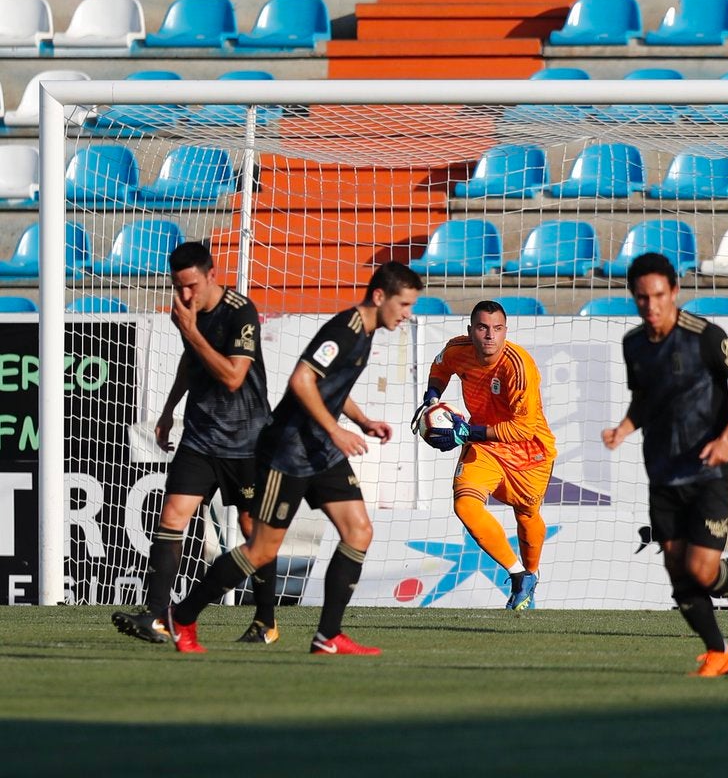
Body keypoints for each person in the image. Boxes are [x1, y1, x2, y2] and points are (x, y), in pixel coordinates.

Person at [166, 262, 423, 655]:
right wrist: (338, 430)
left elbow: (331, 387)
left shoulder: (367, 332)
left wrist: (362, 420)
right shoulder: (345, 330)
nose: (408, 314)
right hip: (288, 450)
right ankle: (181, 617)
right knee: (261, 551)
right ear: (379, 296)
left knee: (359, 531)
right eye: (403, 304)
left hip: (320, 449)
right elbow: (301, 380)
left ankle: (328, 636)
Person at [602, 253, 728, 677]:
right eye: (642, 298)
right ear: (633, 298)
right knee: (677, 570)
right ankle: (718, 653)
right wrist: (623, 428)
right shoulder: (633, 344)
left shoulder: (705, 336)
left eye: (659, 295)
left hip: (710, 471)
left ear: (674, 292)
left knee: (701, 568)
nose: (651, 306)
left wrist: (726, 439)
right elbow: (646, 399)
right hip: (661, 472)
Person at [112, 241, 277, 646]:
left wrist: (190, 332)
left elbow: (234, 376)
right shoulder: (188, 313)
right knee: (171, 517)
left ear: (211, 276)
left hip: (247, 441)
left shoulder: (241, 312)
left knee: (253, 531)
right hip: (200, 438)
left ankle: (265, 622)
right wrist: (169, 410)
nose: (185, 295)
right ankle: (155, 616)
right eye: (177, 286)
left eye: (191, 285)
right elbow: (191, 360)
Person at [411, 300, 556, 611]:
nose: (490, 335)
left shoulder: (519, 367)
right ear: (470, 331)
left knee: (527, 514)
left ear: (505, 331)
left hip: (528, 451)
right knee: (464, 503)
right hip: (485, 447)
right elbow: (440, 367)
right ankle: (518, 575)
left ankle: (531, 576)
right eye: (482, 327)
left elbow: (522, 428)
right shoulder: (457, 349)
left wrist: (469, 432)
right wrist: (432, 398)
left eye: (498, 328)